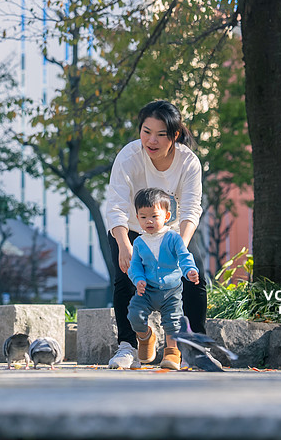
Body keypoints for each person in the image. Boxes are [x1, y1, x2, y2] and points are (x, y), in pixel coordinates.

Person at [104, 99, 207, 369]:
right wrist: (124, 245)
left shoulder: (188, 162)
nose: (151, 140)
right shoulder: (129, 157)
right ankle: (128, 346)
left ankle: (195, 348)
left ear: (174, 135)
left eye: (161, 134)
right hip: (130, 228)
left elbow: (191, 209)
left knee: (194, 279)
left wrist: (179, 248)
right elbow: (115, 206)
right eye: (146, 131)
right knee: (125, 280)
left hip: (171, 231)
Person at [126, 188, 199, 370]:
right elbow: (135, 265)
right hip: (147, 290)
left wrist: (190, 270)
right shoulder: (139, 242)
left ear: (166, 216)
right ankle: (145, 337)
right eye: (143, 217)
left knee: (172, 322)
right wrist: (138, 279)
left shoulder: (173, 238)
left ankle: (172, 353)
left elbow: (184, 256)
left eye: (154, 216)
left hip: (171, 291)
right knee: (134, 314)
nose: (149, 221)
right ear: (137, 218)